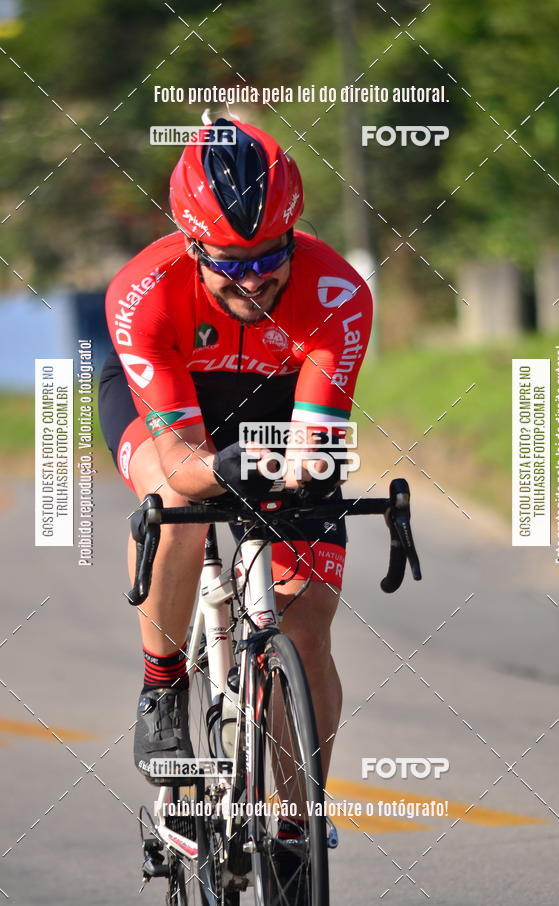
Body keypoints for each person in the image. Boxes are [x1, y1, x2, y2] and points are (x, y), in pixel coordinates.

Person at [99, 115, 372, 829]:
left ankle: (292, 819)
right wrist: (223, 467)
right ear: (191, 246)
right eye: (229, 262)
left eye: (268, 257)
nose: (254, 279)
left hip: (275, 408)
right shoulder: (142, 292)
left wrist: (301, 468)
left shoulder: (338, 292)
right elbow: (187, 464)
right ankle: (161, 686)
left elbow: (317, 442)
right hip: (172, 413)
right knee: (178, 506)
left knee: (307, 627)